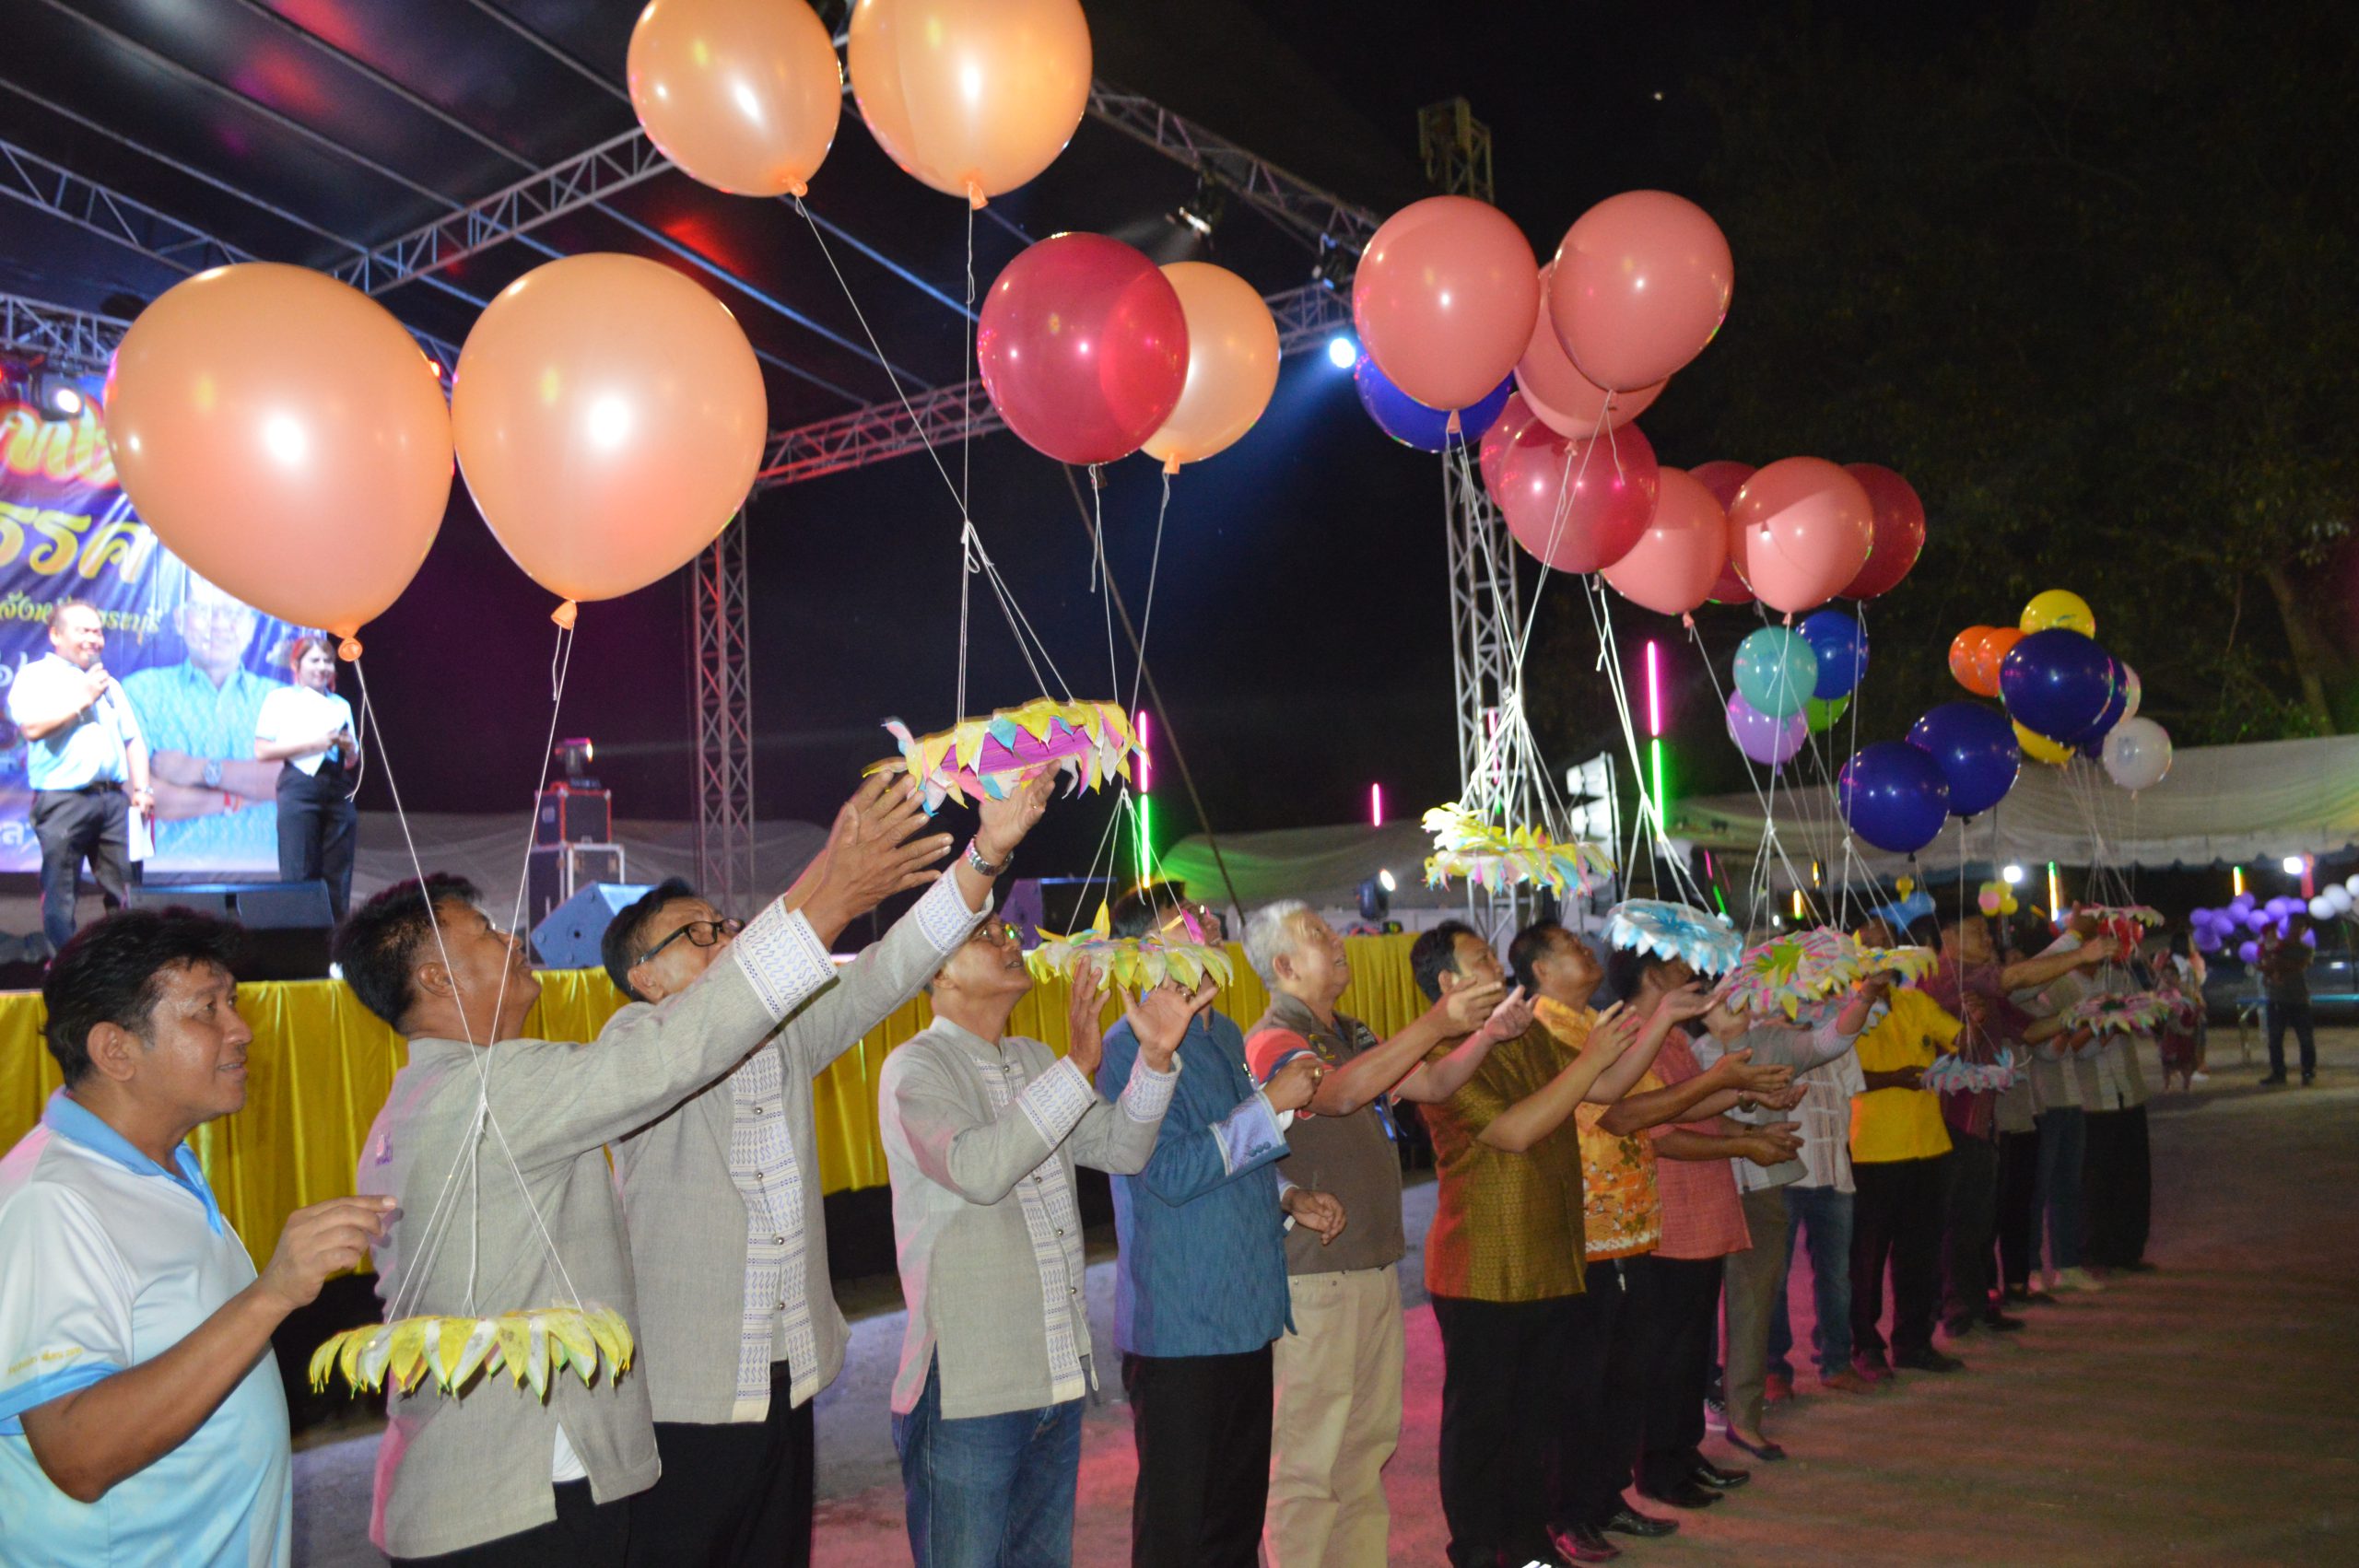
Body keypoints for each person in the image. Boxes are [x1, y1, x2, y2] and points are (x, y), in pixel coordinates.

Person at [344, 776, 945, 1565]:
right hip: (512, 1495)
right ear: (433, 979)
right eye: (485, 929)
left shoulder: (432, 1096)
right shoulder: (492, 1088)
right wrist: (827, 890)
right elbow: (676, 1051)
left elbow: (862, 984)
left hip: (524, 1480)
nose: (513, 937)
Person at [598, 773, 1054, 1568]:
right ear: (646, 976)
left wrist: (986, 853)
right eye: (697, 936)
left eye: (724, 926)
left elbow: (890, 968)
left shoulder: (781, 1037)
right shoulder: (630, 1045)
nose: (725, 939)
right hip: (687, 1393)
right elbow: (701, 1037)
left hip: (782, 1375)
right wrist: (827, 892)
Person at [0, 908, 394, 1566]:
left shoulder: (163, 1163)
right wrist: (270, 1295)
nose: (240, 1030)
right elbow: (77, 1455)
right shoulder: (54, 1200)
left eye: (232, 1002)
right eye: (205, 1010)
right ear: (115, 1050)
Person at [878, 921, 1208, 1568]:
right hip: (969, 1387)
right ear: (939, 974)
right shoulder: (914, 1065)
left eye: (1006, 928)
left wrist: (1156, 1059)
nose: (1009, 940)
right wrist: (1078, 1067)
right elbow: (978, 1168)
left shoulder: (1030, 1057)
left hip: (1053, 1378)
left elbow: (1121, 1147)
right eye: (984, 934)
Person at [1242, 901, 1527, 1568]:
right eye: (1317, 936)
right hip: (1313, 1276)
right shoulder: (1273, 1037)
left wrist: (1483, 1035)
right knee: (1307, 1463)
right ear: (1284, 967)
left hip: (1368, 1268)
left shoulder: (1350, 1029)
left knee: (1365, 1452)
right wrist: (1435, 1021)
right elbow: (1337, 1094)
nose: (1337, 942)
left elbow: (1431, 1081)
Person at [1412, 920, 1684, 1568]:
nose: (1497, 970)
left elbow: (1607, 1088)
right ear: (1447, 983)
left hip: (1550, 1254)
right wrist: (1590, 1059)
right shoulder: (1436, 1055)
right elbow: (1514, 1132)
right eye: (1480, 960)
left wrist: (1665, 1016)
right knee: (1482, 1425)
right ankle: (1477, 1549)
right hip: (1484, 1263)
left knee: (1534, 1419)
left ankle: (1527, 1542)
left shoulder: (1522, 1027)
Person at [1522, 926, 1787, 1552]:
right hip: (1586, 1226)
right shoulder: (1544, 1029)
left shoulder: (1593, 1023)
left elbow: (1638, 1100)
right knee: (1585, 1384)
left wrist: (1729, 1078)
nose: (1588, 952)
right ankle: (1570, 1513)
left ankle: (1605, 1496)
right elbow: (1625, 1113)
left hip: (1630, 1221)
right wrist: (1725, 1078)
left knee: (1627, 1374)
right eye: (1571, 947)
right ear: (1538, 968)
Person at [1599, 946, 1799, 1515]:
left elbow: (1698, 1113)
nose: (1692, 976)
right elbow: (1652, 1132)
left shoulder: (1677, 1038)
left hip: (1702, 1212)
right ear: (1652, 974)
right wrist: (1743, 1139)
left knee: (1690, 1350)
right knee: (1662, 1353)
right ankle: (1658, 1467)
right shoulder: (1629, 1038)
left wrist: (1751, 1102)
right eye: (1681, 967)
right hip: (1666, 1218)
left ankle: (1682, 1453)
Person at [1690, 976, 1872, 1458]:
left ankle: (1744, 1419)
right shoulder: (1686, 1052)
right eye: (1723, 997)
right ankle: (1693, 1410)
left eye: (1741, 995)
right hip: (1700, 1189)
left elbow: (1831, 1040)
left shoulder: (1773, 1039)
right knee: (1694, 1310)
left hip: (1763, 1188)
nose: (1737, 1004)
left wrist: (1866, 998)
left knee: (1753, 1305)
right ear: (1700, 1008)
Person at [6, 599, 153, 954]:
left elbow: (134, 741)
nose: (94, 638)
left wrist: (143, 789)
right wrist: (81, 700)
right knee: (61, 892)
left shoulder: (109, 684)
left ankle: (125, 966)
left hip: (114, 800)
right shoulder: (36, 676)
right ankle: (67, 972)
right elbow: (32, 728)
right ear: (56, 635)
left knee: (126, 888)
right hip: (63, 801)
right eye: (83, 630)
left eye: (98, 631)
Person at [1848, 968, 1966, 1377]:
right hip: (1874, 1150)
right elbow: (1837, 1071)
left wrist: (1974, 1025)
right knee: (1868, 1257)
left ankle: (1914, 1342)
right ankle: (1865, 1345)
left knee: (1922, 1254)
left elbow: (1959, 1038)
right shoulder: (1846, 1008)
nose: (1880, 956)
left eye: (1887, 944)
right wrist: (1893, 1080)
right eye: (1870, 944)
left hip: (1928, 1145)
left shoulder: (1914, 1001)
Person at [122, 573, 285, 864]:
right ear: (180, 620)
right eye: (203, 610)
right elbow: (142, 791)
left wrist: (197, 770)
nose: (219, 623)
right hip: (166, 870)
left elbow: (288, 783)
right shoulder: (141, 691)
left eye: (233, 613)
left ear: (250, 626)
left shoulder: (280, 699)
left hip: (266, 868)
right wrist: (231, 799)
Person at [2015, 908, 2111, 1294]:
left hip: (2071, 1097)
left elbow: (2077, 1052)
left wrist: (2105, 1024)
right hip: (2044, 1099)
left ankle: (2069, 1263)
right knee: (2038, 1190)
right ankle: (2032, 1267)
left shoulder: (2074, 988)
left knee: (2069, 1187)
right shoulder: (2040, 991)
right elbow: (2048, 1050)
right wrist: (2073, 1023)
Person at [252, 635, 360, 920]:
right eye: (315, 660)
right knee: (299, 871)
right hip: (299, 786)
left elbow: (352, 762)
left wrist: (349, 748)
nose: (322, 667)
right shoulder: (280, 699)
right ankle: (299, 946)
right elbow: (262, 750)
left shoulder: (341, 704)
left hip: (337, 788)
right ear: (296, 665)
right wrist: (315, 744)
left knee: (337, 874)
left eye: (327, 661)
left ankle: (336, 948)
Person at [2258, 914, 2317, 1086]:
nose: (2295, 929)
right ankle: (2278, 1073)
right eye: (2293, 925)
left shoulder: (2306, 949)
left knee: (2305, 1038)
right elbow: (2265, 965)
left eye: (2300, 926)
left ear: (2305, 930)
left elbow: (2299, 965)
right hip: (2277, 998)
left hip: (2299, 999)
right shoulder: (2276, 945)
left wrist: (2275, 963)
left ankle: (2308, 1072)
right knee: (2275, 1039)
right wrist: (2270, 965)